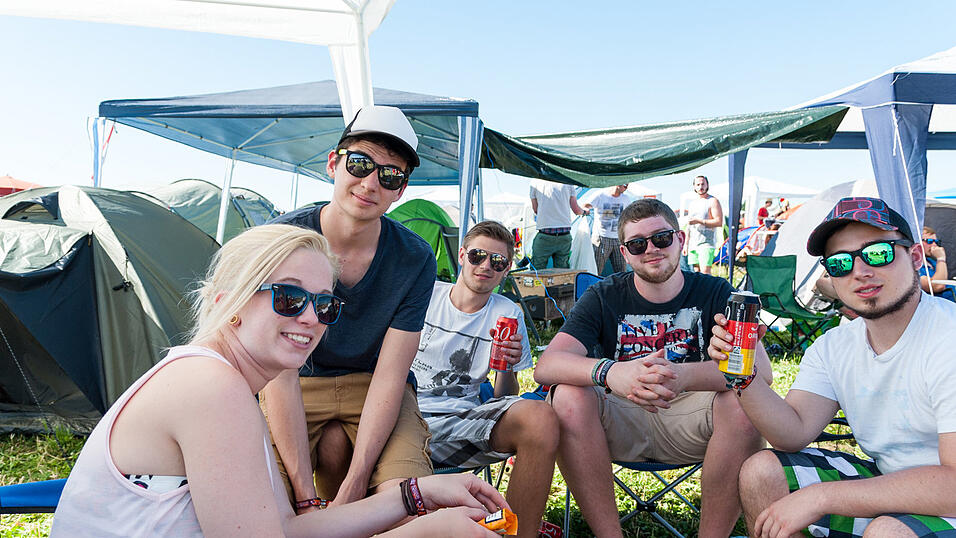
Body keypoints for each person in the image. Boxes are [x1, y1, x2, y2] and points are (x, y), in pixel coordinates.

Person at [52, 224, 508, 537]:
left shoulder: (224, 384)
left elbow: (286, 529)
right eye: (289, 297)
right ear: (228, 300)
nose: (311, 318)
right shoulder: (211, 388)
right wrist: (425, 532)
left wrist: (415, 495)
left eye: (325, 305)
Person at [709, 196, 956, 538]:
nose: (860, 271)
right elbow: (791, 432)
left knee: (888, 532)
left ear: (915, 257)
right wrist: (743, 374)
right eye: (840, 263)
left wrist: (822, 496)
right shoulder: (835, 347)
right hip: (891, 482)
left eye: (879, 253)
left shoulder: (948, 338)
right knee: (762, 472)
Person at [534, 198, 770, 538]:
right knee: (568, 395)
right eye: (637, 244)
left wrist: (684, 376)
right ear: (625, 254)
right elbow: (548, 365)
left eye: (661, 238)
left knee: (744, 404)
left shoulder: (716, 291)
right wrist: (613, 373)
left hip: (694, 418)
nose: (651, 249)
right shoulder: (604, 295)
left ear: (680, 240)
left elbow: (761, 373)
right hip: (619, 418)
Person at [261, 105, 437, 510]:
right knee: (270, 504)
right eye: (360, 163)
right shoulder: (282, 240)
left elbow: (391, 376)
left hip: (374, 386)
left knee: (408, 507)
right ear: (333, 164)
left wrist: (356, 487)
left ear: (400, 191)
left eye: (390, 174)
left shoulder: (415, 258)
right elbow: (279, 372)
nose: (370, 183)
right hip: (297, 383)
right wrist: (306, 497)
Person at [411, 220, 560, 538]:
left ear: (506, 270)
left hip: (460, 422)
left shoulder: (507, 312)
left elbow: (503, 397)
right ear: (462, 255)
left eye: (498, 261)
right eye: (478, 255)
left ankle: (518, 533)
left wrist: (505, 367)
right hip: (402, 414)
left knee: (539, 416)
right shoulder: (425, 295)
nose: (486, 266)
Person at [529, 178, 589, 269]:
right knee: (562, 271)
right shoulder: (568, 181)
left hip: (545, 236)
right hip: (564, 237)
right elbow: (576, 210)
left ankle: (540, 282)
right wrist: (585, 212)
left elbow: (536, 209)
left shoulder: (535, 182)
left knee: (537, 271)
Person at [682, 175, 723, 275]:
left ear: (707, 185)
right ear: (694, 187)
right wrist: (686, 245)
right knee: (696, 273)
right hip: (693, 244)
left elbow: (719, 221)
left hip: (706, 243)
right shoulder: (692, 204)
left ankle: (708, 291)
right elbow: (689, 226)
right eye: (698, 184)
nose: (700, 187)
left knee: (705, 273)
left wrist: (699, 221)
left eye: (703, 184)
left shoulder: (713, 201)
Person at [586, 183, 630, 274]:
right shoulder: (600, 195)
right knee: (596, 270)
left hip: (618, 239)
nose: (627, 188)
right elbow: (586, 205)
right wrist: (586, 209)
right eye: (625, 185)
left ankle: (621, 288)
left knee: (622, 271)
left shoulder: (626, 198)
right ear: (618, 183)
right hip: (601, 237)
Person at [918, 225, 956, 301]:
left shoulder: (932, 262)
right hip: (938, 306)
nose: (934, 245)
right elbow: (937, 286)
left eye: (936, 242)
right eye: (929, 241)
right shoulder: (914, 265)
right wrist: (941, 259)